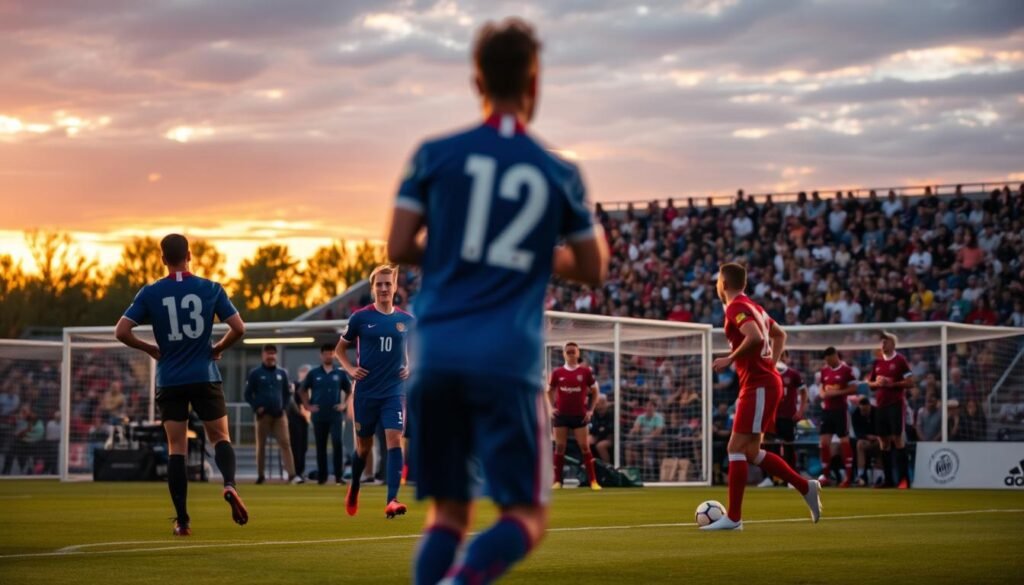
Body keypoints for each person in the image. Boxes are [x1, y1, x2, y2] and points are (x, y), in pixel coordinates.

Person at [387, 17, 608, 584]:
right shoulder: (558, 172)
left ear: (476, 81)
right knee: (527, 516)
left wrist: (465, 247)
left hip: (435, 354)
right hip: (507, 359)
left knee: (448, 514)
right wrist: (529, 253)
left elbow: (397, 245)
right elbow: (592, 267)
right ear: (534, 83)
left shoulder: (433, 154)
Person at [114, 233, 247, 536]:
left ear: (162, 258)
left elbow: (121, 331)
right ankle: (229, 484)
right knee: (220, 437)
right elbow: (239, 328)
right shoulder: (211, 288)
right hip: (204, 374)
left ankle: (183, 520)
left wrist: (149, 348)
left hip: (170, 378)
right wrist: (218, 347)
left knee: (177, 448)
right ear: (190, 254)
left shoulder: (150, 293)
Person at [703, 262, 821, 531]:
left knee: (735, 448)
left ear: (723, 283)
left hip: (758, 385)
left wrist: (729, 358)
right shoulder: (756, 307)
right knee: (752, 452)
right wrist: (772, 364)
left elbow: (755, 338)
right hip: (762, 382)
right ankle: (805, 486)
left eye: (717, 282)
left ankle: (733, 518)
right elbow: (780, 334)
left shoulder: (735, 307)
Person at [335, 264, 414, 518]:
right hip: (366, 393)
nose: (383, 288)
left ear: (394, 288)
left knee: (394, 439)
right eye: (378, 284)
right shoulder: (360, 318)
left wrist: (409, 365)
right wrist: (350, 368)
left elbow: (416, 348)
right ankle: (355, 485)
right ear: (373, 288)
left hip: (393, 391)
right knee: (364, 449)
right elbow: (339, 350)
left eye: (387, 284)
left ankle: (392, 499)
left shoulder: (406, 320)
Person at [245, 344, 301, 485]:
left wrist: (283, 407)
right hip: (263, 416)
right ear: (263, 355)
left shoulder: (282, 373)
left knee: (285, 443)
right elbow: (247, 394)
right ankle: (261, 475)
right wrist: (256, 407)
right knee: (261, 445)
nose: (270, 356)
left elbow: (287, 394)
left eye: (273, 353)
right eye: (268, 353)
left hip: (279, 415)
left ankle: (292, 475)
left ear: (276, 355)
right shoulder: (255, 373)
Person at [548, 341, 601, 490]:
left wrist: (590, 410)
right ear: (564, 354)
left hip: (580, 416)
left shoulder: (585, 372)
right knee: (559, 447)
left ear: (578, 353)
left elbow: (595, 391)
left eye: (573, 351)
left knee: (585, 446)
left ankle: (593, 481)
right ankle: (557, 481)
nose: (571, 354)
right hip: (561, 415)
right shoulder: (557, 372)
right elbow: (549, 390)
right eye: (568, 352)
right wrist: (551, 408)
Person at [867, 332, 915, 488]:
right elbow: (870, 383)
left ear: (893, 344)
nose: (883, 344)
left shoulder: (900, 360)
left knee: (897, 439)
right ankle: (888, 480)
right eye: (882, 342)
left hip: (895, 404)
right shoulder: (877, 362)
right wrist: (878, 383)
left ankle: (904, 479)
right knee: (883, 441)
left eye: (886, 341)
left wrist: (891, 383)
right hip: (880, 405)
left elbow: (910, 382)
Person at [300, 344, 352, 485]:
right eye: (326, 353)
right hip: (319, 414)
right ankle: (322, 477)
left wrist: (344, 404)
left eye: (331, 353)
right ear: (321, 355)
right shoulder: (314, 373)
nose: (329, 356)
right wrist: (307, 406)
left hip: (335, 414)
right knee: (320, 445)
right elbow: (302, 390)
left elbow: (349, 390)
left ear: (334, 355)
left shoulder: (340, 373)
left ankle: (338, 477)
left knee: (337, 443)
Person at [759, 351, 807, 487]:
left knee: (788, 447)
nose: (780, 359)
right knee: (767, 446)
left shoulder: (793, 374)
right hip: (771, 416)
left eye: (782, 356)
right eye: (778, 356)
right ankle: (769, 478)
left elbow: (804, 392)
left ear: (787, 358)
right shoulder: (767, 372)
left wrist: (801, 410)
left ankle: (790, 479)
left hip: (787, 416)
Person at [817, 347, 858, 487]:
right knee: (824, 443)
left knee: (844, 442)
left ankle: (848, 477)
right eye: (825, 360)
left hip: (841, 410)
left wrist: (837, 393)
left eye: (828, 359)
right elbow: (822, 387)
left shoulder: (846, 370)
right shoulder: (824, 371)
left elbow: (854, 388)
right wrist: (822, 393)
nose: (827, 362)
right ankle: (825, 476)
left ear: (835, 356)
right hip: (827, 410)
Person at [288, 364, 312, 482]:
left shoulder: (310, 387)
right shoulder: (295, 385)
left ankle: (300, 472)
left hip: (304, 419)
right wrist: (301, 411)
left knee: (303, 446)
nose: (305, 374)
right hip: (295, 418)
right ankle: (294, 472)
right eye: (303, 372)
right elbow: (291, 400)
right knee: (295, 446)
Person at [851, 397, 881, 486]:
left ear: (869, 407)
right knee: (859, 444)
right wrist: (867, 436)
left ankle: (878, 476)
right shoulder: (856, 414)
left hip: (877, 440)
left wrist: (875, 437)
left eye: (865, 410)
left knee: (881, 444)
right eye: (862, 410)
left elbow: (882, 429)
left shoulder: (877, 413)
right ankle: (861, 476)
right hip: (865, 441)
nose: (863, 412)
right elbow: (857, 433)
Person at [588, 394, 614, 464]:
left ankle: (608, 467)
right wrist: (597, 432)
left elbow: (610, 429)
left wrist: (598, 434)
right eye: (597, 404)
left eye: (602, 403)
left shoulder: (612, 414)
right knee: (586, 441)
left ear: (606, 403)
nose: (599, 406)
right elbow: (591, 427)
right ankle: (589, 464)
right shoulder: (594, 414)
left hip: (611, 438)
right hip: (598, 436)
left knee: (600, 446)